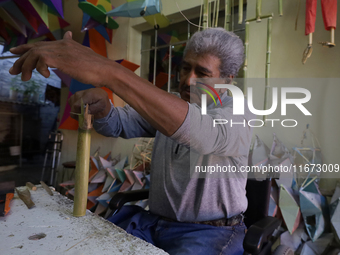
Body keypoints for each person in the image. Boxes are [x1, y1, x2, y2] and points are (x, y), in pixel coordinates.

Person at [9, 27, 253, 254]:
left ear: (227, 80)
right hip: (154, 222)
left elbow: (203, 133)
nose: (188, 80)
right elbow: (118, 123)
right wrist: (102, 107)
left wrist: (109, 71)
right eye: (185, 68)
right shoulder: (173, 105)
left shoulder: (239, 113)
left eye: (202, 73)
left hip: (210, 231)